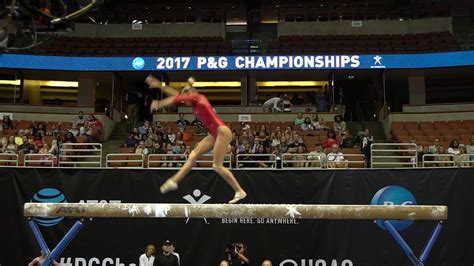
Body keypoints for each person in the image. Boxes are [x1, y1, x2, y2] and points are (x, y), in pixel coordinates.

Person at [146, 75, 247, 204]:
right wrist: (161, 85)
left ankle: (239, 191)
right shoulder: (194, 103)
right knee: (193, 154)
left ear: (190, 94)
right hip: (215, 134)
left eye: (185, 98)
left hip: (222, 132)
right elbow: (178, 95)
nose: (184, 102)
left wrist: (159, 102)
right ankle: (173, 181)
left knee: (216, 166)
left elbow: (178, 97)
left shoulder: (199, 97)